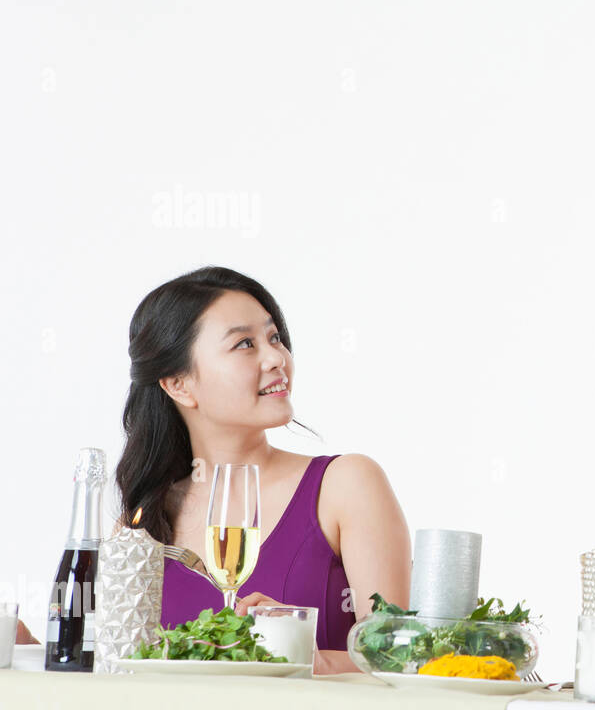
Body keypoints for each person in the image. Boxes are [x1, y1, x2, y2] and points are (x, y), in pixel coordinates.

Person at [116, 266, 411, 672]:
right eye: (244, 344)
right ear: (179, 384)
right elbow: (114, 666)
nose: (276, 358)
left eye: (274, 338)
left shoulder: (347, 485)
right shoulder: (139, 526)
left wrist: (297, 651)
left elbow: (398, 660)